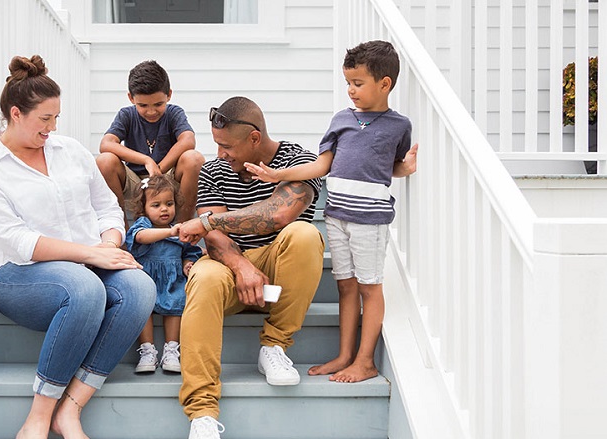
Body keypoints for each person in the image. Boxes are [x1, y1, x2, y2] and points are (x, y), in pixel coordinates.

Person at [0, 54, 156, 439]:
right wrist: (90, 255)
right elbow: (19, 242)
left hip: (90, 262)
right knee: (83, 288)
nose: (52, 128)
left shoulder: (70, 151)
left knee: (139, 288)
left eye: (56, 119)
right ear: (16, 114)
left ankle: (71, 409)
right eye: (44, 120)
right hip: (19, 275)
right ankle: (37, 417)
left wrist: (110, 245)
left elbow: (107, 209)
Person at [245, 40, 419, 385]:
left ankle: (365, 360)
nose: (351, 91)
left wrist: (406, 168)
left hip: (370, 219)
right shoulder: (342, 119)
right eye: (348, 83)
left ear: (384, 84)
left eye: (358, 83)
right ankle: (344, 355)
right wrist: (278, 174)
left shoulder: (399, 126)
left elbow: (389, 167)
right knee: (345, 287)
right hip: (338, 216)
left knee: (370, 287)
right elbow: (322, 164)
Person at [176, 96, 325, 439]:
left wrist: (211, 222)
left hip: (279, 272)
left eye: (227, 146)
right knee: (205, 276)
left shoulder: (298, 161)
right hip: (229, 268)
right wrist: (241, 266)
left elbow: (278, 214)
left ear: (254, 138)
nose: (220, 154)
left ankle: (273, 346)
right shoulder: (214, 170)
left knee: (304, 234)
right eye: (216, 145)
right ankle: (201, 411)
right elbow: (212, 238)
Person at [97, 60, 204, 223]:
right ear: (131, 98)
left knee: (194, 159)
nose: (151, 111)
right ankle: (122, 233)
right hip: (136, 181)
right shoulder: (127, 115)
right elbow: (106, 144)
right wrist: (146, 160)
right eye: (143, 105)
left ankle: (183, 232)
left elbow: (188, 140)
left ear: (169, 94)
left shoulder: (174, 113)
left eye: (159, 104)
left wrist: (158, 169)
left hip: (166, 178)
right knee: (105, 160)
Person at [125, 174, 204, 374]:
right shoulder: (144, 226)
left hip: (172, 280)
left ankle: (171, 349)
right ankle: (147, 351)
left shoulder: (179, 229)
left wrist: (188, 263)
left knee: (176, 306)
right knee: (144, 310)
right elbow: (140, 238)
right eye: (156, 205)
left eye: (169, 203)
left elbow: (190, 251)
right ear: (144, 209)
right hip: (147, 279)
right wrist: (170, 233)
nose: (164, 209)